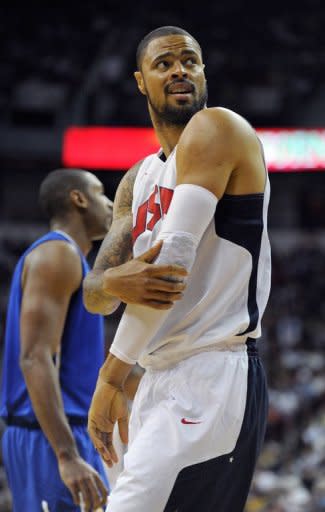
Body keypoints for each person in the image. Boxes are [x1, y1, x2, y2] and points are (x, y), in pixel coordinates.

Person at [83, 25, 271, 512]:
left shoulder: (217, 128)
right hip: (155, 377)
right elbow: (96, 293)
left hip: (212, 372)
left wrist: (108, 377)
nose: (179, 70)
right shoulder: (137, 179)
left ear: (204, 72)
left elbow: (170, 266)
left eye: (189, 60)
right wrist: (110, 280)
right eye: (163, 64)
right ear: (140, 82)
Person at [0, 169, 113, 511]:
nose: (109, 203)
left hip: (58, 432)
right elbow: (34, 357)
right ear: (78, 198)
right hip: (49, 437)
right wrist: (66, 455)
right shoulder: (58, 254)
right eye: (100, 193)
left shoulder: (70, 259)